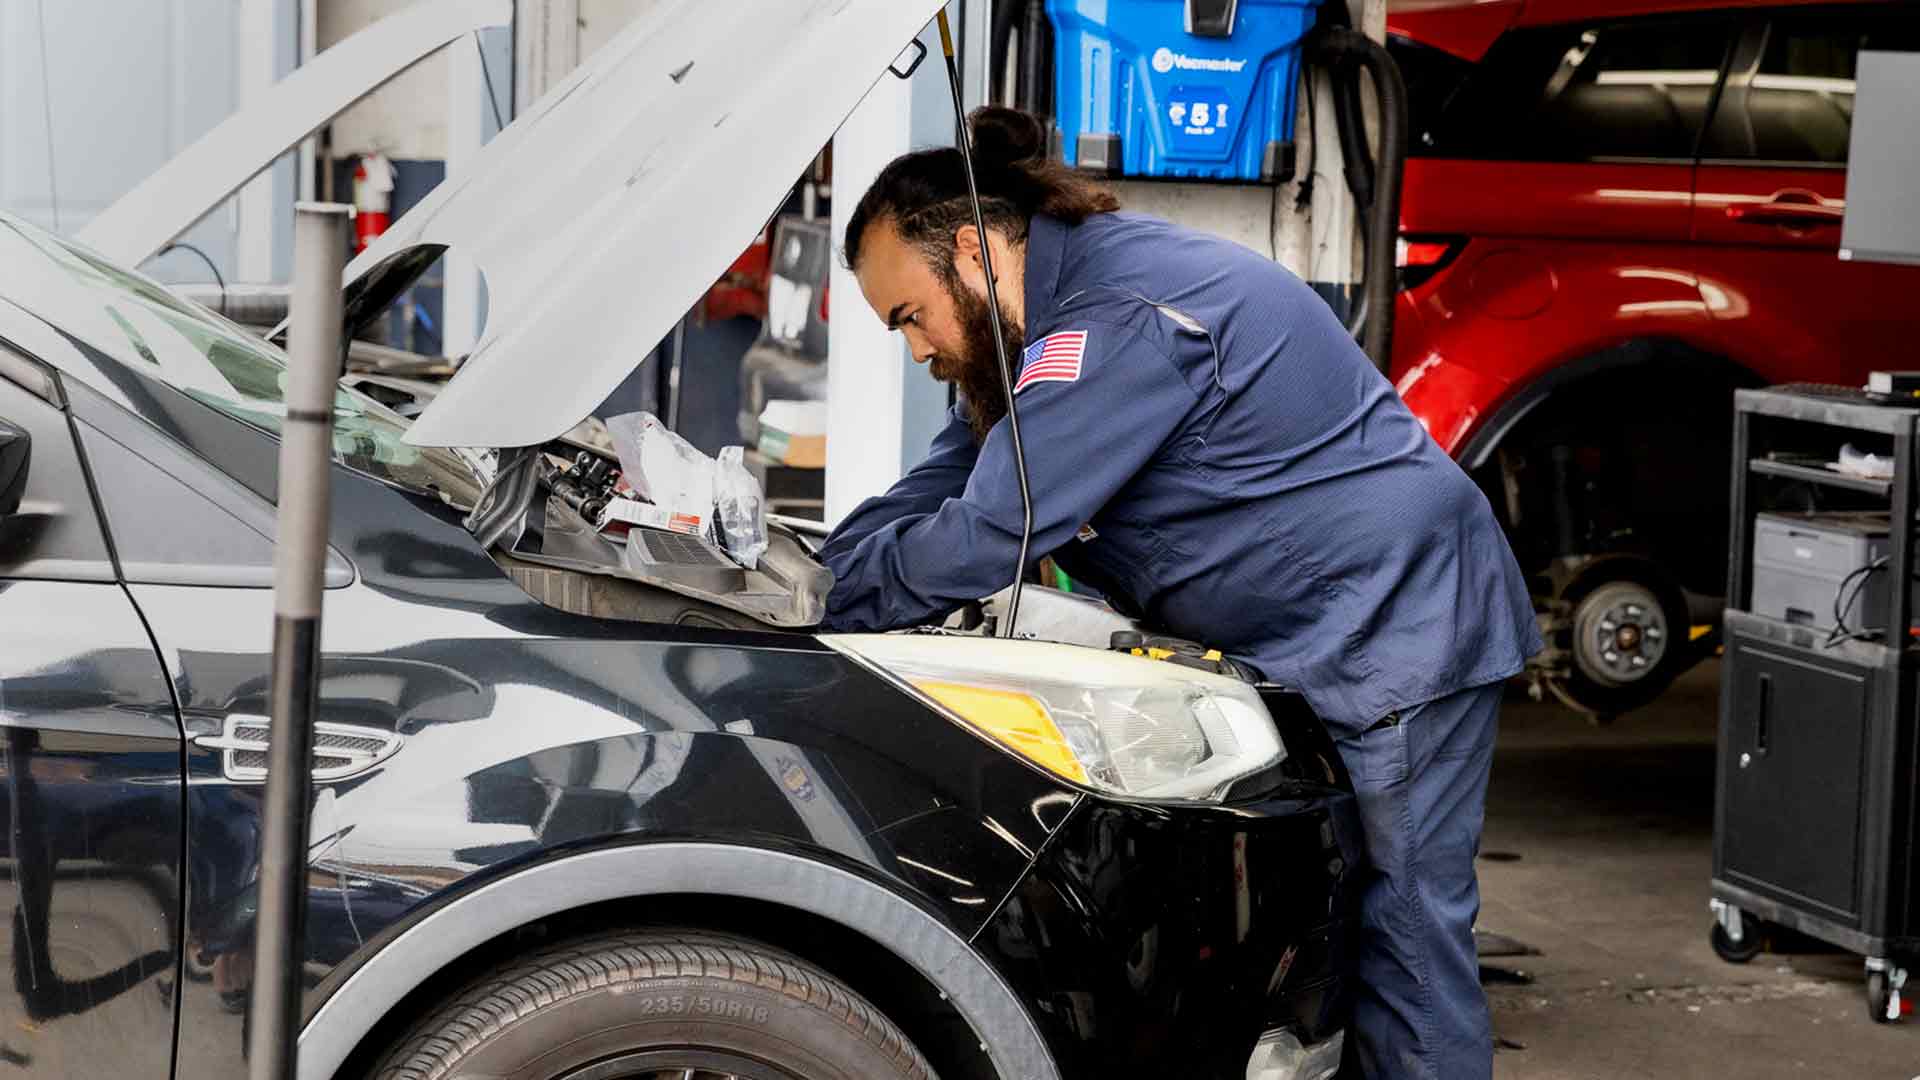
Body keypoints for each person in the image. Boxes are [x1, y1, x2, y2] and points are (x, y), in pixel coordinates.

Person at [817, 106, 1541, 1079]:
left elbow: (995, 527)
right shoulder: (1035, 335)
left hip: (1394, 626)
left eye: (911, 316)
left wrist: (820, 616)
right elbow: (941, 483)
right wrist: (818, 577)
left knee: (1405, 936)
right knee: (1326, 933)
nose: (915, 348)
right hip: (1307, 637)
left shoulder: (1116, 320)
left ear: (976, 252)